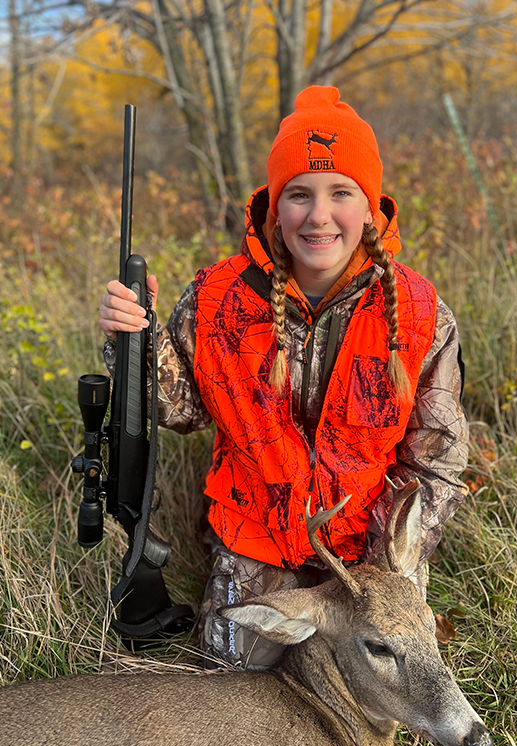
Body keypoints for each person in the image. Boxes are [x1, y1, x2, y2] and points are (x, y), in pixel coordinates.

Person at [99, 86, 468, 668]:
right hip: (255, 537)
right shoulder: (218, 298)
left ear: (371, 207)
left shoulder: (421, 314)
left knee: (382, 695)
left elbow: (436, 458)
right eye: (299, 194)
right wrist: (134, 342)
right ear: (275, 205)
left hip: (368, 555)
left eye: (341, 192)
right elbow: (180, 408)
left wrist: (390, 566)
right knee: (236, 693)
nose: (318, 215)